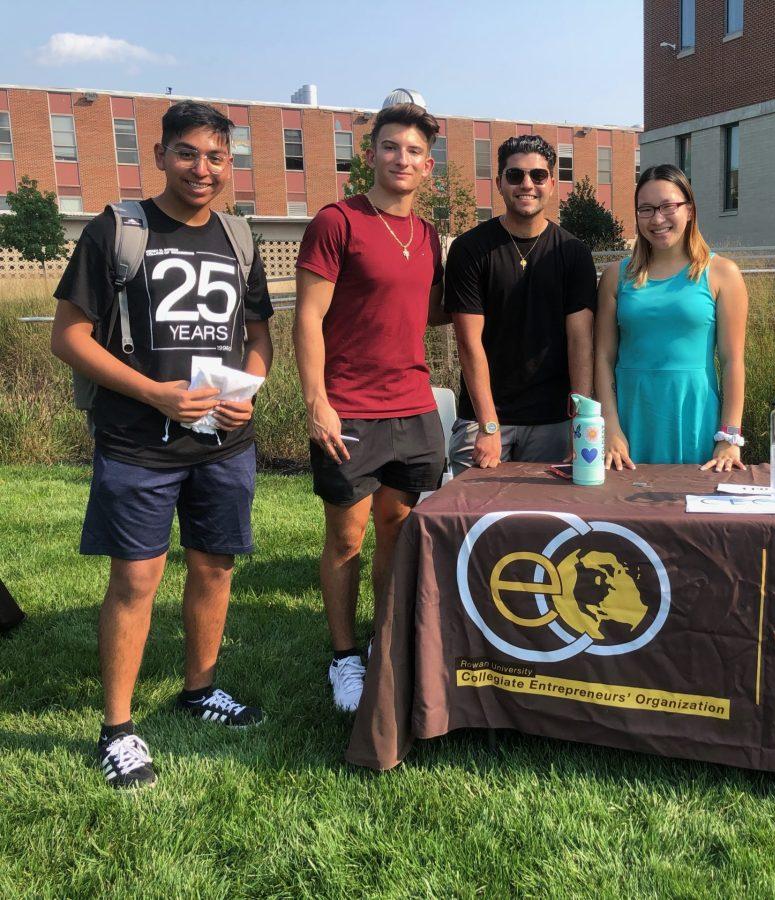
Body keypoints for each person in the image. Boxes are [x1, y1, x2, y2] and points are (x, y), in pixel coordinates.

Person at [50, 101, 274, 790]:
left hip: (222, 444)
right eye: (187, 154)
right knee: (136, 581)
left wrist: (251, 388)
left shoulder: (240, 237)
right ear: (160, 156)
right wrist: (154, 394)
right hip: (137, 441)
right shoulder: (119, 229)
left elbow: (259, 336)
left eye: (214, 157)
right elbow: (68, 336)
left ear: (227, 165)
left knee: (215, 568)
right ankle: (117, 728)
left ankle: (199, 689)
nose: (200, 169)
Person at [293, 103, 449, 714]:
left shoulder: (429, 234)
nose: (401, 159)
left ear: (427, 164)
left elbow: (428, 310)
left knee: (398, 532)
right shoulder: (338, 222)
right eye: (390, 147)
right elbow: (307, 317)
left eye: (413, 151)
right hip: (351, 407)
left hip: (414, 408)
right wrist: (318, 404)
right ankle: (343, 656)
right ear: (372, 153)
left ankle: (385, 638)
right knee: (346, 536)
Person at [444, 134, 595, 473]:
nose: (527, 184)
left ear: (552, 183)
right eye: (515, 175)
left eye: (538, 175)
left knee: (546, 523)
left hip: (553, 422)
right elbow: (469, 343)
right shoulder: (470, 250)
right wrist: (488, 425)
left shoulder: (573, 253)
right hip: (484, 419)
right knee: (472, 522)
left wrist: (580, 423)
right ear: (499, 182)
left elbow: (580, 341)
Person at [594, 164, 747, 471]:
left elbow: (732, 361)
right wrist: (609, 428)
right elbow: (602, 357)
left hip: (694, 415)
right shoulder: (615, 277)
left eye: (668, 206)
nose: (657, 219)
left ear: (689, 210)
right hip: (629, 419)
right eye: (646, 209)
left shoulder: (722, 274)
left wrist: (729, 438)